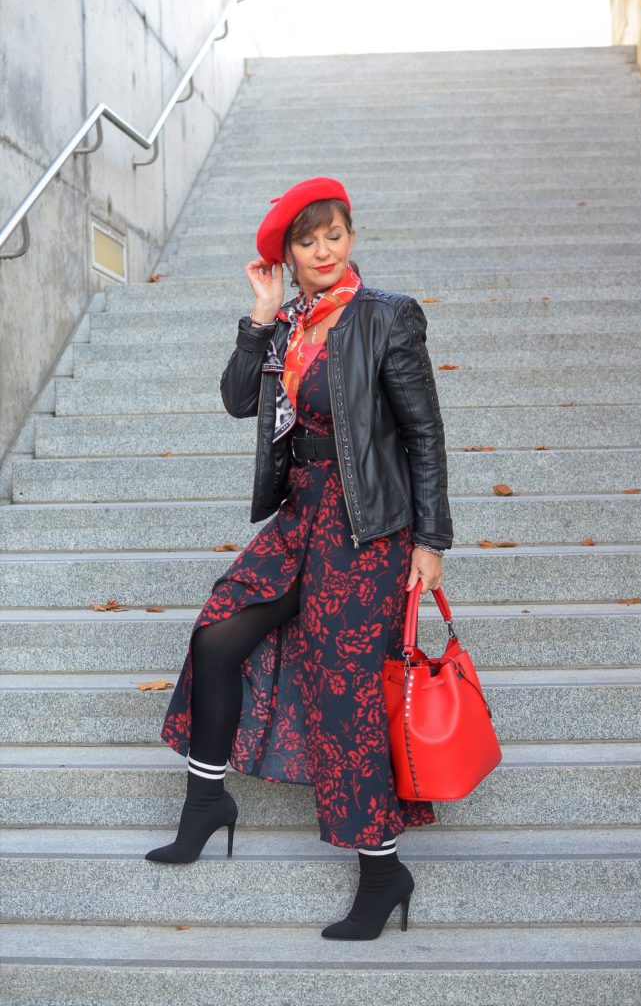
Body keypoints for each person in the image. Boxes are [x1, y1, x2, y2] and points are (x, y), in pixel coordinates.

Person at [145, 176, 453, 940]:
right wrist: (258, 316)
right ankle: (207, 800)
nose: (322, 251)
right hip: (301, 513)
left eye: (333, 235)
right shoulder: (286, 322)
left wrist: (430, 540)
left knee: (344, 692)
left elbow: (423, 433)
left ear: (351, 236)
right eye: (306, 241)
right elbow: (237, 400)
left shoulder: (387, 317)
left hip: (367, 529)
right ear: (287, 255)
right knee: (218, 636)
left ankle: (382, 871)